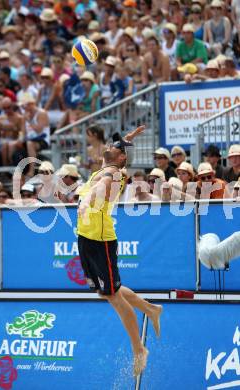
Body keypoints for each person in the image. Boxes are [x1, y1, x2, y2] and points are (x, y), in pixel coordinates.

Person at [77, 125, 162, 377]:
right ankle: (150, 308)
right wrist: (128, 139)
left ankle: (139, 350)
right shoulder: (110, 165)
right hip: (86, 236)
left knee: (113, 295)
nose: (109, 146)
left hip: (100, 239)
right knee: (107, 291)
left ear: (121, 157)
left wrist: (87, 201)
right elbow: (114, 155)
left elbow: (101, 187)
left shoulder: (113, 172)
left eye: (115, 147)